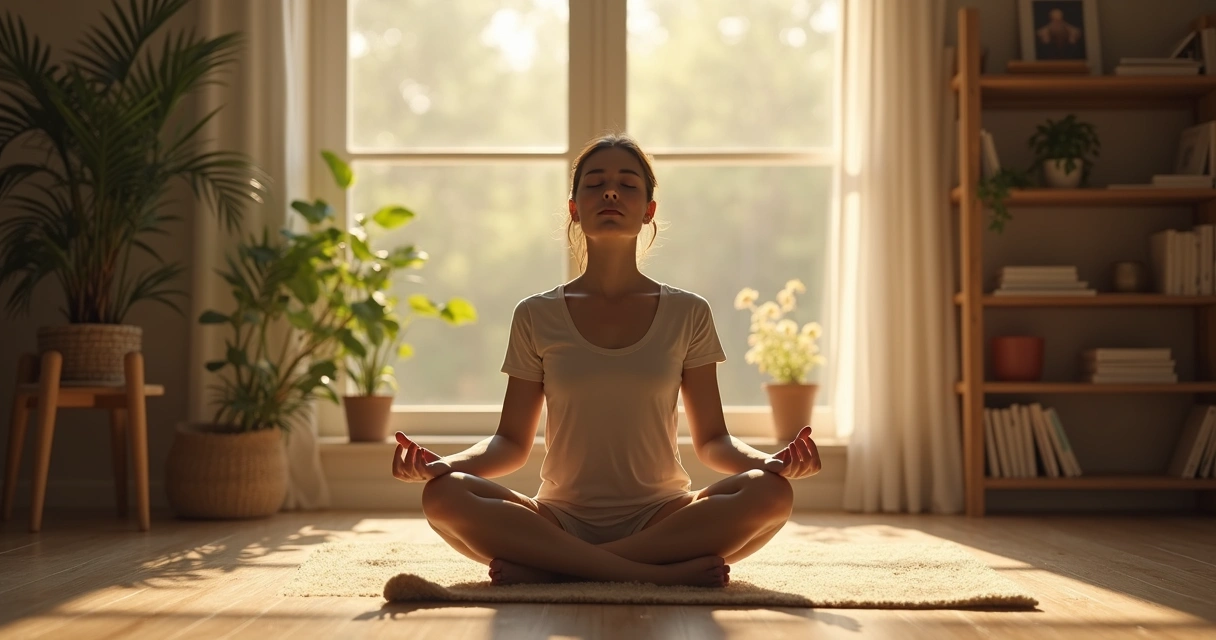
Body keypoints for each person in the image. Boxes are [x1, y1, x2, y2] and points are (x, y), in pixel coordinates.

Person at [392, 133, 822, 588]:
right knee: (443, 496)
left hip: (665, 518)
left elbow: (713, 440)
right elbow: (510, 444)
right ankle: (647, 573)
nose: (611, 192)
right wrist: (445, 465)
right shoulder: (536, 314)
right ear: (574, 208)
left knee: (771, 493)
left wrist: (770, 462)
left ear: (649, 210)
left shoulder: (687, 312)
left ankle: (559, 569)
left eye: (627, 185)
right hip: (557, 518)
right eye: (595, 184)